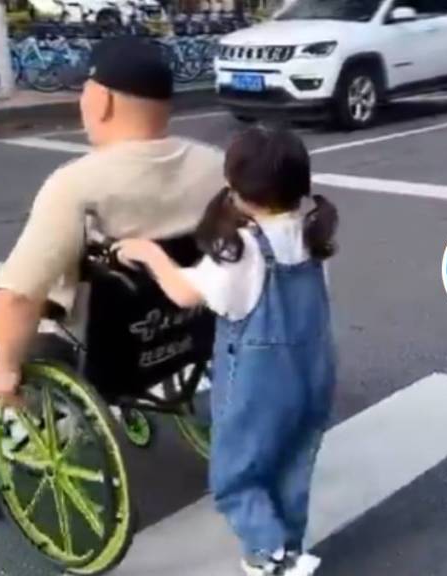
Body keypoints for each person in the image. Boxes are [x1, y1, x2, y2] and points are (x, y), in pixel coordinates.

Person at [115, 126, 338, 576]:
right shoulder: (311, 233)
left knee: (235, 475)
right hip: (315, 370)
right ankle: (288, 546)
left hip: (260, 380)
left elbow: (185, 293)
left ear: (239, 190)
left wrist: (148, 254)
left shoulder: (243, 252)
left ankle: (269, 553)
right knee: (294, 464)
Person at [0, 37, 223, 405]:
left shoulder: (77, 185)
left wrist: (5, 370)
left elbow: (18, 297)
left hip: (104, 350)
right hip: (191, 332)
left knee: (2, 311)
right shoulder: (216, 165)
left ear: (102, 101)